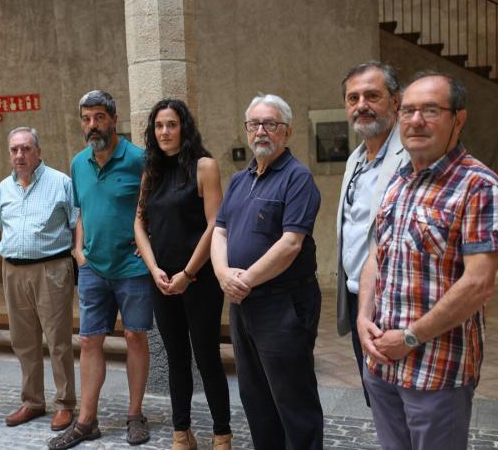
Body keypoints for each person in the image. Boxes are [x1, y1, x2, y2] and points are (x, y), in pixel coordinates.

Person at [357, 71, 498, 449]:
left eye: (430, 110)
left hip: (437, 371)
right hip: (382, 363)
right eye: (408, 110)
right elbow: (377, 256)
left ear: (457, 119)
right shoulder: (398, 180)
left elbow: (479, 284)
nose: (415, 120)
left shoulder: (480, 186)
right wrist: (364, 317)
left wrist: (411, 337)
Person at [211, 94, 323, 449]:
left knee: (293, 398)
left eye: (270, 124)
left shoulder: (297, 178)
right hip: (243, 304)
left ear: (286, 132)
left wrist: (244, 279)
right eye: (254, 124)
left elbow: (290, 244)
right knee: (255, 396)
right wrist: (223, 274)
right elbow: (220, 231)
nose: (261, 131)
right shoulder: (240, 181)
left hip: (283, 304)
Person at [49, 90, 153, 449]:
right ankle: (86, 421)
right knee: (90, 340)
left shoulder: (139, 159)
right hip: (93, 267)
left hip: (132, 268)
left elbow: (153, 208)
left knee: (135, 337)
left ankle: (135, 415)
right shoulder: (78, 163)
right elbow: (80, 213)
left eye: (98, 117)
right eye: (86, 119)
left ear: (113, 119)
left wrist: (147, 249)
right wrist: (78, 251)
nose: (92, 125)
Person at [134, 99, 232, 450]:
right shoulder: (152, 172)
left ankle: (222, 433)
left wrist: (187, 274)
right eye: (159, 126)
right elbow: (139, 224)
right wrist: (155, 269)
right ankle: (181, 433)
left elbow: (214, 225)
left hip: (199, 280)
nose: (164, 132)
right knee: (176, 358)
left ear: (184, 128)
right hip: (162, 281)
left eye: (171, 124)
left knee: (206, 357)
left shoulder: (204, 166)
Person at [0, 127, 77, 431]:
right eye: (14, 149)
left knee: (58, 341)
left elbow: (76, 224)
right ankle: (32, 401)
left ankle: (65, 404)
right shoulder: (4, 188)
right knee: (23, 341)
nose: (20, 155)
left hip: (51, 270)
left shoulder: (61, 183)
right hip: (13, 271)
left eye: (26, 149)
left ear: (38, 152)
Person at [335, 61, 409, 406]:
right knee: (376, 396)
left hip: (397, 299)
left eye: (372, 95)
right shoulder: (355, 159)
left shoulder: (410, 154)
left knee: (404, 398)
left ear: (395, 101)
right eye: (353, 98)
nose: (361, 105)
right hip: (357, 297)